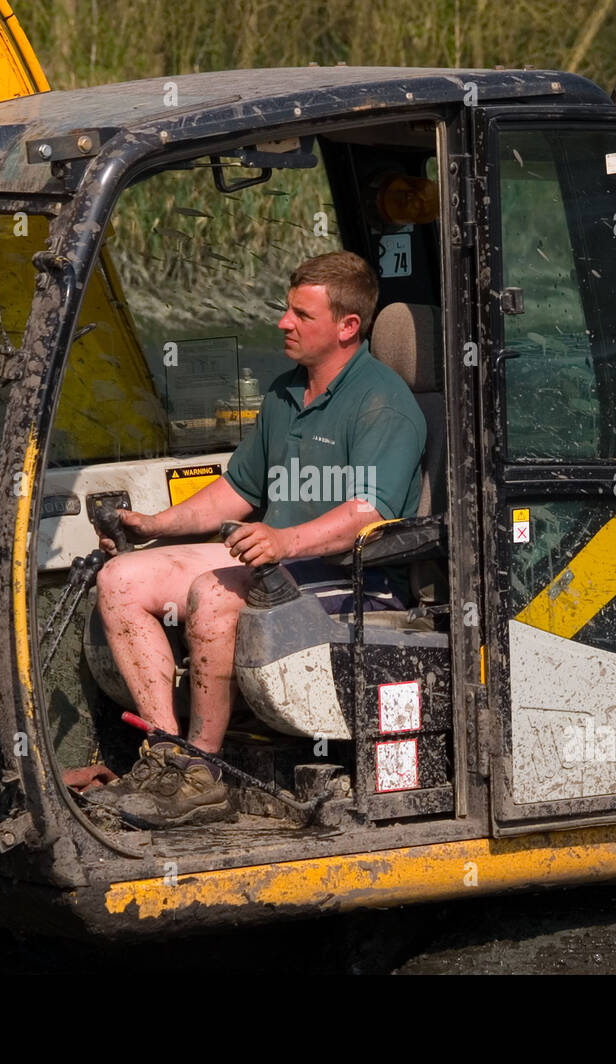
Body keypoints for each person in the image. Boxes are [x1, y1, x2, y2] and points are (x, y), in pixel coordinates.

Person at [91, 251, 426, 828]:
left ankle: (204, 771)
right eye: (286, 309)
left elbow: (369, 514)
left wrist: (283, 540)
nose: (283, 323)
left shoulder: (383, 403)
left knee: (214, 594)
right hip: (278, 560)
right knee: (120, 577)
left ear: (348, 327)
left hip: (353, 578)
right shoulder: (283, 394)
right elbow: (237, 491)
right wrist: (155, 526)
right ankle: (169, 756)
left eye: (301, 314)